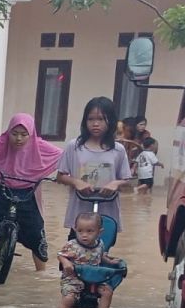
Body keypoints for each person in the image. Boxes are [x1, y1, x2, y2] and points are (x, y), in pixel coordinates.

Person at [0, 114, 63, 272]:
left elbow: (65, 157)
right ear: (8, 132)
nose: (18, 138)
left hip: (27, 193)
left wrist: (66, 176)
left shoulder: (41, 147)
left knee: (36, 232)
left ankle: (40, 275)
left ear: (31, 135)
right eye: (14, 134)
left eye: (24, 134)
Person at [56, 97, 133, 238]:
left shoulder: (118, 150)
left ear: (111, 121)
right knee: (74, 253)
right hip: (80, 215)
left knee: (102, 254)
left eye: (101, 119)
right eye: (91, 119)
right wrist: (76, 182)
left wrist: (115, 183)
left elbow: (127, 181)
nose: (95, 124)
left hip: (107, 214)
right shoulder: (74, 146)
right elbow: (60, 176)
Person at [52, 212, 123, 308]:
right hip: (74, 279)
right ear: (75, 230)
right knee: (68, 298)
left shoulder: (100, 244)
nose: (84, 235)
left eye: (90, 231)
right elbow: (60, 255)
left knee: (107, 291)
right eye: (80, 231)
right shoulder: (72, 245)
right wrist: (66, 262)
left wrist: (110, 261)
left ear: (99, 232)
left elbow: (101, 256)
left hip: (95, 279)